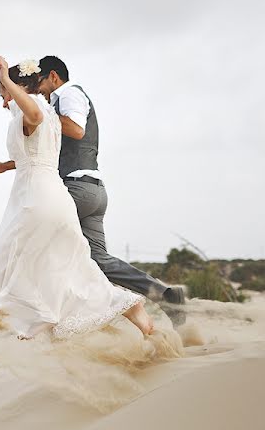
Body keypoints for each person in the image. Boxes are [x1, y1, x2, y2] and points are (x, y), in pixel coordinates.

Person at [0, 55, 154, 342]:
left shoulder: (33, 112)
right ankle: (131, 309)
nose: (4, 102)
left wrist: (5, 77)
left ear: (18, 88)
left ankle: (40, 313)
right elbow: (35, 154)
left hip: (39, 198)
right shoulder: (49, 115)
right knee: (67, 265)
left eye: (4, 94)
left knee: (6, 255)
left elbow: (33, 117)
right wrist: (6, 165)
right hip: (51, 195)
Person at [35, 55, 185, 305]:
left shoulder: (69, 93)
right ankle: (166, 296)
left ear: (53, 76)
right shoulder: (57, 102)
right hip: (92, 191)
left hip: (76, 189)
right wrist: (7, 165)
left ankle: (56, 314)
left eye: (39, 83)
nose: (38, 91)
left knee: (39, 242)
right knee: (99, 262)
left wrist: (41, 114)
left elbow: (76, 129)